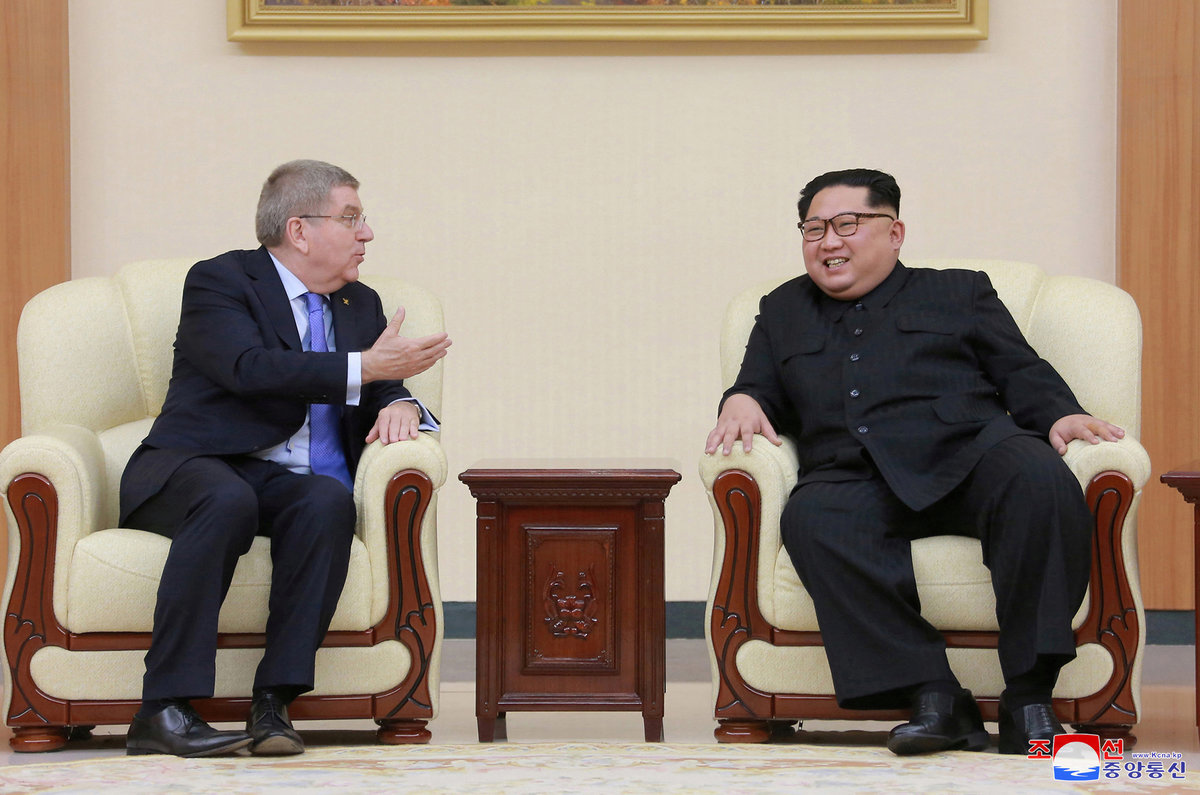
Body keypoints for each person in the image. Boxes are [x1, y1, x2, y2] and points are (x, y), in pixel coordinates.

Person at [704, 168, 1124, 756]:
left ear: (895, 232)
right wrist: (742, 399)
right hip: (853, 472)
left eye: (847, 224)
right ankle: (936, 698)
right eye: (814, 228)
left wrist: (1060, 414)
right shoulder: (781, 309)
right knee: (812, 518)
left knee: (1037, 477)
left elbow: (1018, 368)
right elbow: (758, 386)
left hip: (970, 454)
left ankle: (1029, 697)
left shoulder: (959, 291)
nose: (828, 241)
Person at [120, 160, 451, 757]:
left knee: (326, 500)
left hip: (274, 481)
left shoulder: (358, 302)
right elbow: (248, 369)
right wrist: (366, 367)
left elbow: (377, 382)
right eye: (351, 218)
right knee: (227, 498)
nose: (367, 233)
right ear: (299, 230)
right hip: (189, 465)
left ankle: (274, 701)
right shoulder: (221, 281)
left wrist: (399, 400)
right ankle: (162, 709)